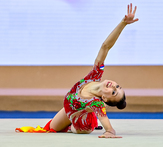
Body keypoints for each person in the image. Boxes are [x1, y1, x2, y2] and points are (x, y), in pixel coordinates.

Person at [16, 3, 139, 138]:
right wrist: (123, 23)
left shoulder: (96, 103)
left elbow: (109, 127)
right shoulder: (95, 74)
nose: (113, 86)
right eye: (117, 86)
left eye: (114, 92)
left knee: (71, 129)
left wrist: (110, 131)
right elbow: (105, 46)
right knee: (51, 128)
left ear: (104, 98)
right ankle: (87, 114)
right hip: (70, 108)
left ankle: (89, 121)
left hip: (81, 124)